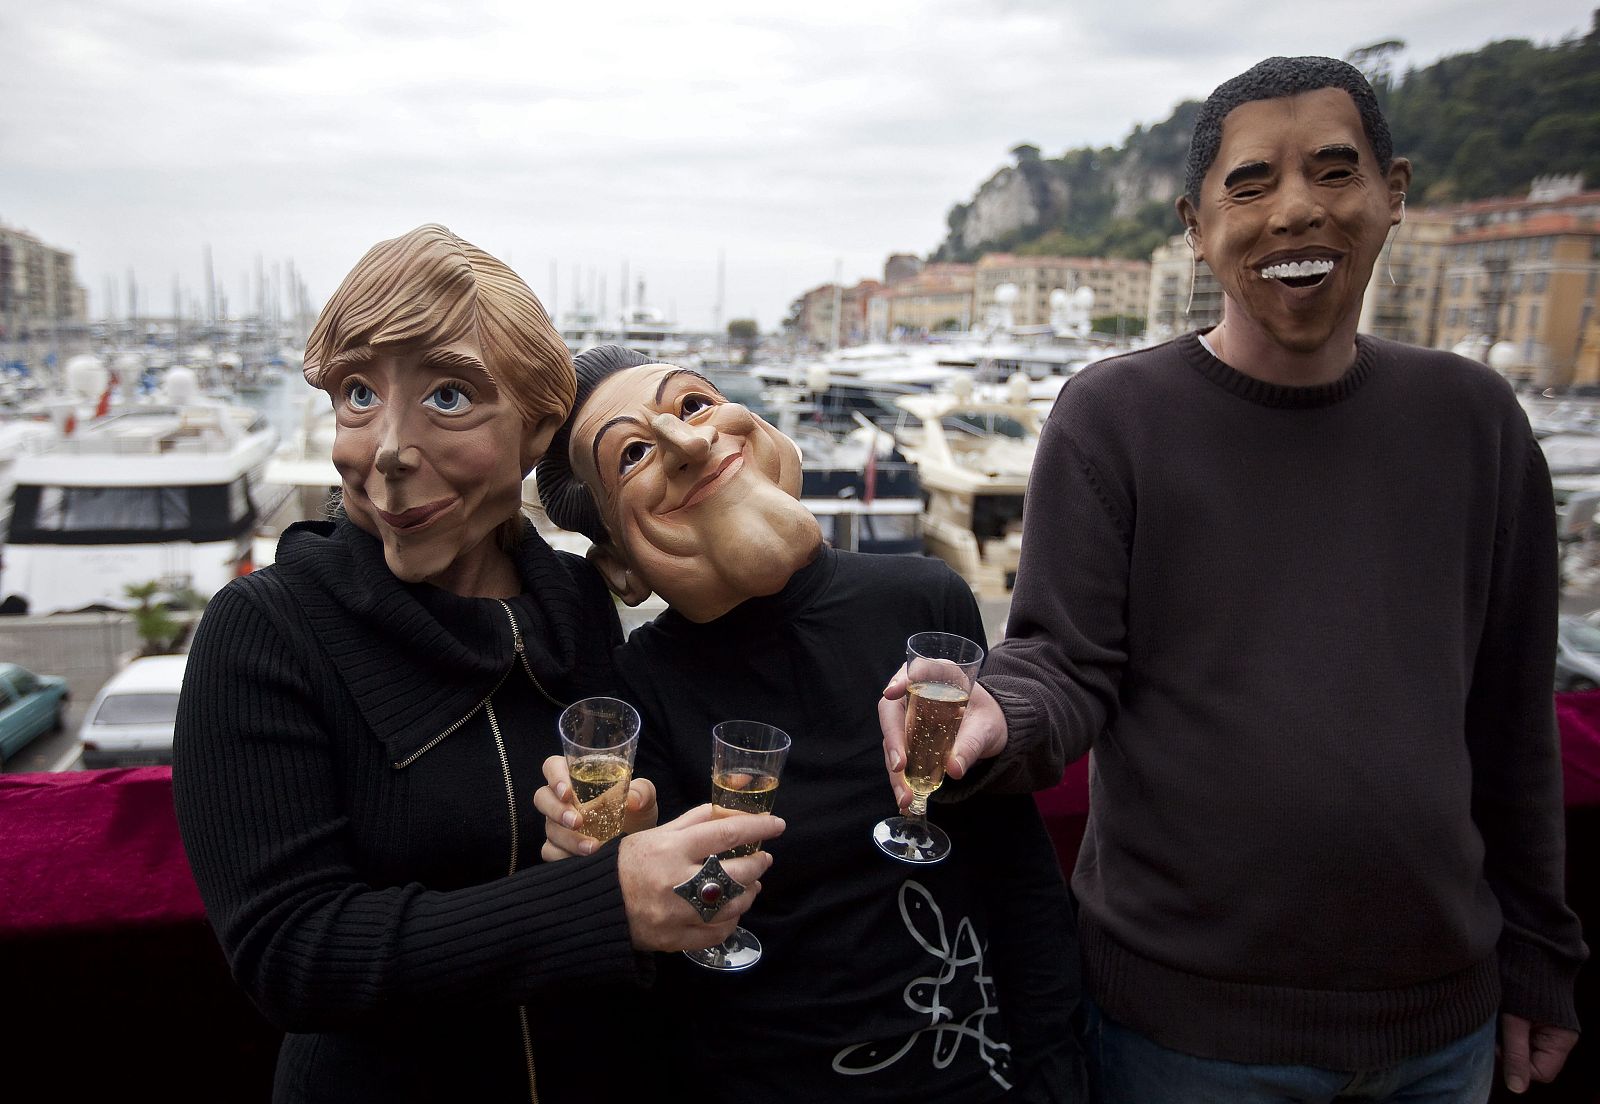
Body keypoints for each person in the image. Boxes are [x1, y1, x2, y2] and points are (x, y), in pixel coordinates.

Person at [881, 56, 1589, 1101]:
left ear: (1393, 194)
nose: (1295, 209)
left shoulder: (1474, 420)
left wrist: (1540, 953)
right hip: (1183, 1036)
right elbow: (1061, 662)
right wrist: (996, 715)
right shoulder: (1112, 417)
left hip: (1444, 1020)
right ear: (1195, 223)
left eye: (1333, 172)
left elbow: (1511, 717)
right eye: (1250, 183)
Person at [172, 226, 781, 1103]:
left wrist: (615, 830)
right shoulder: (266, 630)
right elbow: (290, 952)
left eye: (448, 395)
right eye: (356, 394)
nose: (387, 446)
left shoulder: (574, 604)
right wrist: (603, 902)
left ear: (539, 427)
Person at [532, 343, 1086, 1103]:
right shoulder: (639, 689)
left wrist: (1055, 1077)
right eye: (633, 454)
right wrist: (625, 865)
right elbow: (676, 944)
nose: (691, 442)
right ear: (621, 565)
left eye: (693, 405)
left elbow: (1013, 871)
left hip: (965, 1073)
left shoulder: (924, 603)